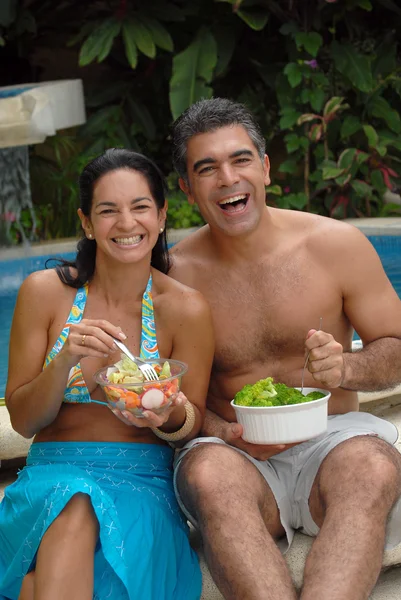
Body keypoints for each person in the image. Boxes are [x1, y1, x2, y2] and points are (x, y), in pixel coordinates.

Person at [168, 97, 401, 600]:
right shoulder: (171, 277)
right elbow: (168, 395)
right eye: (206, 168)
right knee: (207, 476)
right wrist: (223, 430)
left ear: (266, 167)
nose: (227, 178)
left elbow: (397, 346)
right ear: (187, 189)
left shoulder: (337, 245)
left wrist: (346, 368)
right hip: (233, 451)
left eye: (241, 159)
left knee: (373, 465)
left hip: (332, 438)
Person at [0, 148, 214, 600]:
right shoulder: (45, 294)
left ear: (160, 216)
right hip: (51, 476)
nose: (126, 223)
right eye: (108, 210)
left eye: (139, 207)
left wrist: (167, 412)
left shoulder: (185, 308)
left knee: (63, 578)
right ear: (86, 222)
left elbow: (190, 424)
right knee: (75, 500)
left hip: (142, 484)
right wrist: (64, 363)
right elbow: (23, 419)